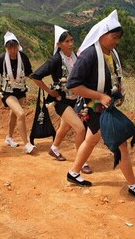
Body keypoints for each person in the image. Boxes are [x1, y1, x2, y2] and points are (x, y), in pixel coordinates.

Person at [66, 10, 135, 201]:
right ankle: (133, 185)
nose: (116, 41)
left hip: (104, 106)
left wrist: (116, 93)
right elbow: (73, 85)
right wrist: (100, 96)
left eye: (118, 38)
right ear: (102, 35)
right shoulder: (89, 55)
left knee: (91, 139)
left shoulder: (110, 53)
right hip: (92, 107)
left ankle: (73, 172)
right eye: (114, 37)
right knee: (120, 142)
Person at [30, 26, 92, 172]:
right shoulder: (55, 60)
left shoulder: (75, 57)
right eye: (66, 41)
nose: (70, 44)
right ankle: (81, 161)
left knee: (65, 127)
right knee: (80, 128)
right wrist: (49, 91)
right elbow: (35, 76)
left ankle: (54, 148)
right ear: (59, 44)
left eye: (71, 40)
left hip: (76, 100)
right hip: (61, 101)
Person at [0, 31, 36, 154]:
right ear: (6, 47)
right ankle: (27, 144)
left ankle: (9, 137)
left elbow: (29, 72)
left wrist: (39, 79)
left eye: (14, 46)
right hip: (7, 91)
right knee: (20, 114)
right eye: (9, 47)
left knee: (14, 114)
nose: (12, 49)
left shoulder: (23, 57)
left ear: (17, 46)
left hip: (20, 90)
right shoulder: (1, 59)